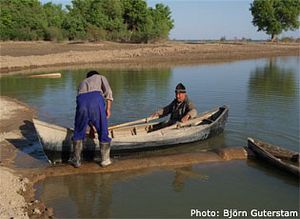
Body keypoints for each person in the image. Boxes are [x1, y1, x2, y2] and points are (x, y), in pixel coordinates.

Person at [70, 70, 113, 168]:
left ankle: (76, 161)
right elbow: (108, 92)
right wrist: (108, 109)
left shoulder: (82, 83)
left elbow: (85, 109)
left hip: (81, 101)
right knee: (103, 130)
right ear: (96, 75)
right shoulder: (100, 77)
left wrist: (91, 128)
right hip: (96, 99)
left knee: (79, 130)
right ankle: (105, 160)